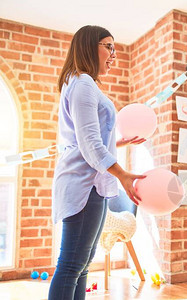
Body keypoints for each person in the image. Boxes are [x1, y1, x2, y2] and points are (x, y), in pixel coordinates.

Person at [49, 25, 146, 300]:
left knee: (80, 266)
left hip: (91, 184)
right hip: (84, 184)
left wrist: (120, 143)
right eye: (108, 46)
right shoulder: (82, 84)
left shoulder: (80, 83)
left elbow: (87, 139)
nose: (114, 54)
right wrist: (123, 174)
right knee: (71, 265)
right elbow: (89, 144)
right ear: (89, 46)